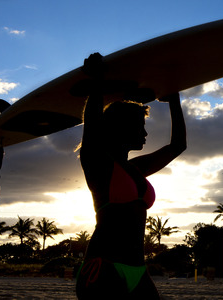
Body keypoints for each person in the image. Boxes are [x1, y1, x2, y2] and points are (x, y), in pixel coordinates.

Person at [76, 53, 186, 299]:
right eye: (140, 125)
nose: (146, 133)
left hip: (137, 269)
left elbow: (177, 145)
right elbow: (92, 126)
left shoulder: (135, 168)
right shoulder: (97, 164)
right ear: (121, 128)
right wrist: (97, 78)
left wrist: (173, 98)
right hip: (103, 267)